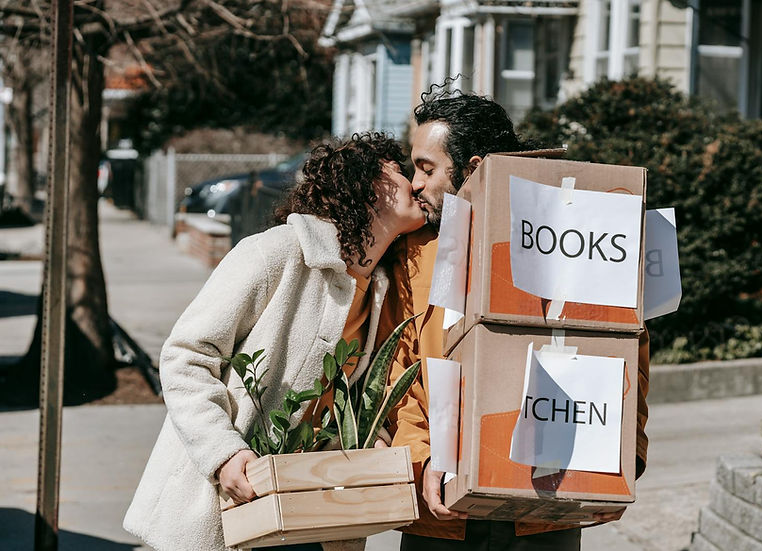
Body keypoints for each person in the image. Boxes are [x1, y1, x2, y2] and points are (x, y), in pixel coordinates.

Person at [124, 133, 426, 551]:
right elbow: (186, 355)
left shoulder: (381, 288)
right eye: (402, 171)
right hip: (227, 501)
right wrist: (223, 453)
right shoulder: (277, 253)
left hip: (307, 512)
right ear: (369, 184)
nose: (417, 182)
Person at [389, 92, 651, 551]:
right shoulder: (414, 257)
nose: (414, 183)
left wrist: (624, 457)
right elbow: (400, 374)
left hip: (545, 508)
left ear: (469, 169)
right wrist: (422, 457)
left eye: (427, 168)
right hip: (442, 513)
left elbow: (624, 352)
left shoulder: (568, 239)